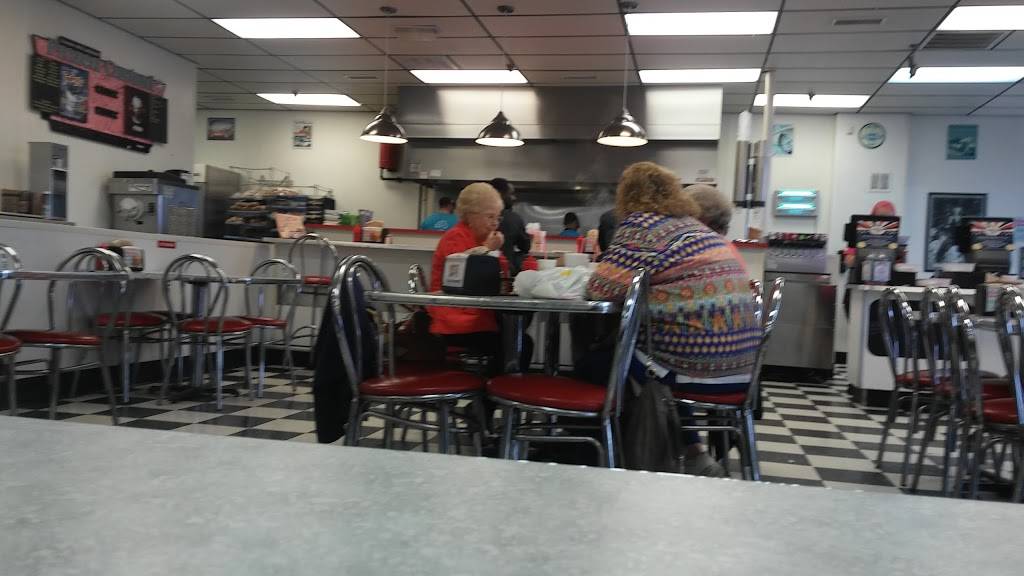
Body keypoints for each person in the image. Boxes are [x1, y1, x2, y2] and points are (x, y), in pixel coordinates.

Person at [586, 162, 760, 477]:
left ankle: (611, 460)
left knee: (597, 364)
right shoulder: (698, 230)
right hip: (742, 374)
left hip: (693, 369)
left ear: (627, 196)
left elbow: (599, 288)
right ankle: (693, 453)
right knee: (659, 351)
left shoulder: (642, 224)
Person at [491, 178, 531, 276]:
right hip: (504, 273)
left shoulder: (476, 217)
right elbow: (525, 247)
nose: (514, 198)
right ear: (500, 194)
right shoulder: (513, 218)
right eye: (511, 194)